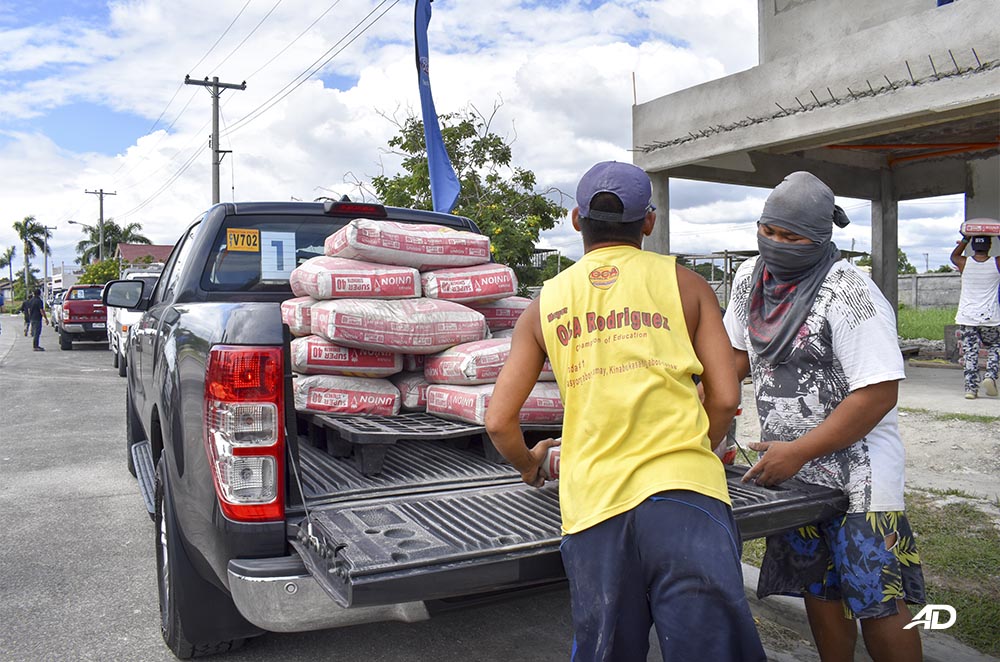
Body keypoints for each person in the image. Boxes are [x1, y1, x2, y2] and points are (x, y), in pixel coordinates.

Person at [485, 161, 764, 661]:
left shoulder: (545, 304)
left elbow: (499, 422)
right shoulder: (688, 286)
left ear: (577, 220)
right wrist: (696, 448)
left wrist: (530, 465)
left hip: (596, 506)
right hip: (688, 497)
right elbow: (724, 397)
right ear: (648, 222)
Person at [723, 171, 925, 662]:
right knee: (819, 587)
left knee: (879, 599)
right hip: (792, 473)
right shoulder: (750, 279)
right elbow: (734, 359)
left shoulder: (850, 292)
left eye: (792, 237)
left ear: (819, 238)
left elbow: (878, 394)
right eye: (768, 231)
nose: (776, 244)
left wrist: (800, 450)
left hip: (860, 477)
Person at [950, 231, 1000, 399]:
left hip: (967, 317)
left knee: (970, 353)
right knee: (995, 346)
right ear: (989, 246)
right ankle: (990, 375)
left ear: (973, 247)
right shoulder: (997, 263)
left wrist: (965, 238)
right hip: (990, 318)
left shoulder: (964, 263)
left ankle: (971, 389)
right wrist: (998, 235)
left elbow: (954, 256)